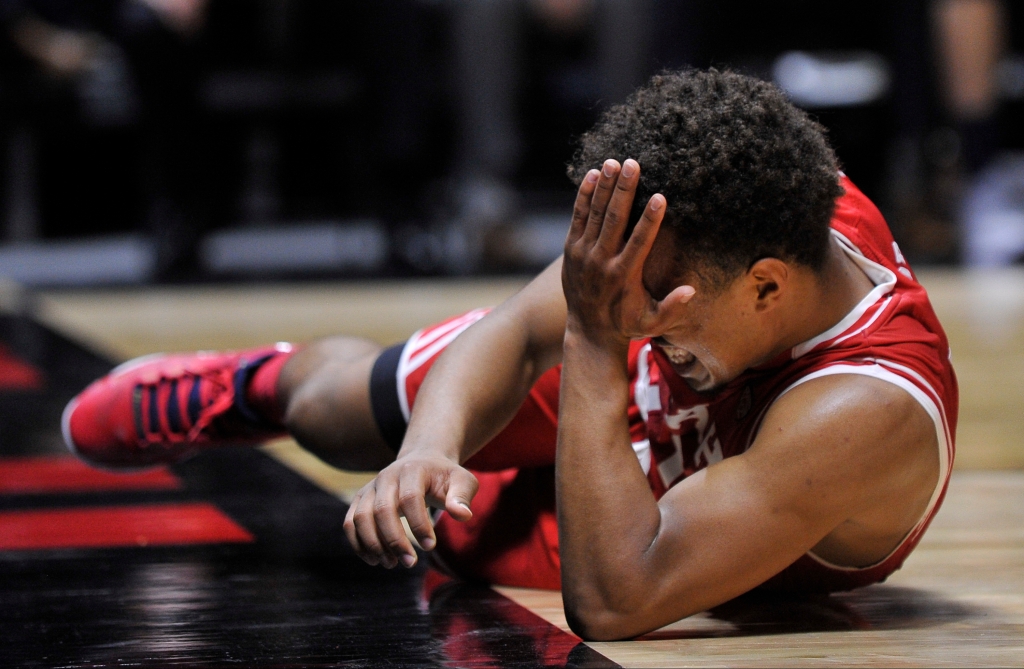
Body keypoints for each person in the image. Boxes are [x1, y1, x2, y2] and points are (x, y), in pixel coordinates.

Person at [62, 69, 957, 641]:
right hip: (627, 389)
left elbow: (616, 602)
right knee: (348, 422)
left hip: (666, 525)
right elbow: (525, 329)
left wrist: (602, 338)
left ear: (768, 287)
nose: (637, 311)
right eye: (629, 293)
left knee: (448, 537)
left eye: (659, 302)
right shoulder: (748, 209)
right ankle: (254, 386)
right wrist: (423, 450)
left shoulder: (868, 408)